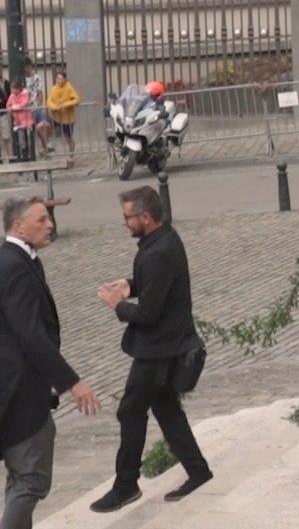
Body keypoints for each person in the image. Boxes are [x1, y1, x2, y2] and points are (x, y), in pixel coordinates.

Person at [91, 187, 212, 512]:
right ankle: (198, 471)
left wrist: (117, 305)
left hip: (158, 351)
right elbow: (157, 286)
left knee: (130, 411)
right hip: (164, 346)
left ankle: (126, 485)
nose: (124, 222)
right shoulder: (164, 240)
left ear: (145, 217)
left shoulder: (157, 252)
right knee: (166, 408)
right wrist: (130, 285)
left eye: (127, 216)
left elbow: (148, 314)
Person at [0, 196, 101, 529]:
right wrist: (72, 382)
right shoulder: (14, 266)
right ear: (19, 226)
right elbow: (31, 334)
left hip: (20, 389)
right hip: (20, 392)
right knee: (30, 478)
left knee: (22, 477)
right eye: (42, 219)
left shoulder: (21, 259)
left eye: (49, 218)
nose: (50, 225)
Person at [46, 71, 80, 168]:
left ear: (64, 79)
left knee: (68, 137)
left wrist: (65, 105)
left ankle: (71, 154)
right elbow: (49, 101)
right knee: (44, 126)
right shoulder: (54, 88)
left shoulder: (69, 88)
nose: (58, 80)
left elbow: (76, 99)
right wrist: (54, 107)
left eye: (60, 78)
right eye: (57, 78)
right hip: (56, 116)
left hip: (67, 118)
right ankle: (47, 145)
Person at [22, 61, 49, 159]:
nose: (27, 69)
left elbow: (40, 92)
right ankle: (30, 153)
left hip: (35, 107)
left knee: (40, 130)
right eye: (25, 67)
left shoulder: (36, 78)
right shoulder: (22, 78)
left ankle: (46, 149)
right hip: (25, 108)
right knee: (28, 132)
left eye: (28, 67)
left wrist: (39, 105)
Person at [5, 79, 34, 162]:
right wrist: (10, 108)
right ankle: (24, 155)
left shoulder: (25, 94)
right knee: (21, 139)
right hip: (18, 121)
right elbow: (8, 105)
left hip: (27, 119)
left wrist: (13, 107)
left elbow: (24, 104)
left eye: (14, 88)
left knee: (29, 137)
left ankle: (31, 153)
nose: (13, 90)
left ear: (18, 88)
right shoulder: (12, 96)